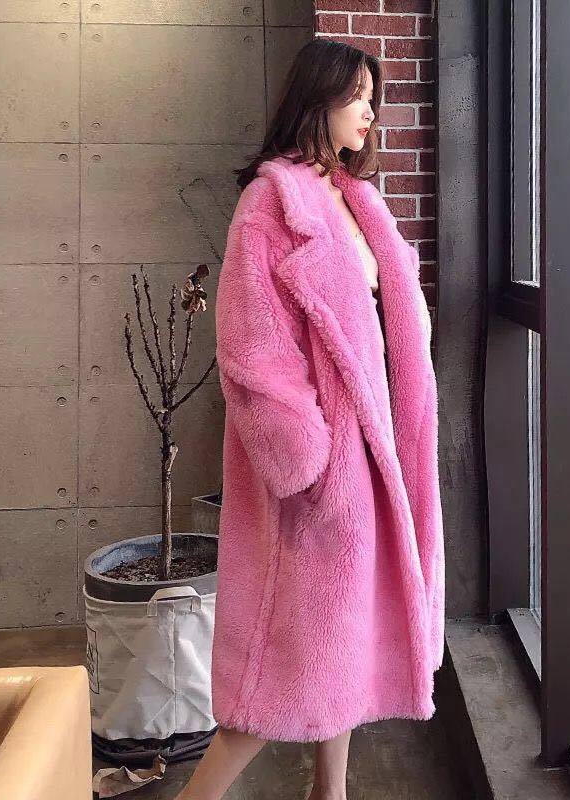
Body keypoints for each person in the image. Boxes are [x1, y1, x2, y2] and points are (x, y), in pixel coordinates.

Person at [174, 39, 444, 800]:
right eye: (357, 95)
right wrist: (309, 459)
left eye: (373, 97)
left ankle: (332, 791)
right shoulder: (272, 203)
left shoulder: (357, 201)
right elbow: (252, 349)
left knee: (341, 640)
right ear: (317, 99)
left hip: (377, 452)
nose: (370, 111)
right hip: (323, 469)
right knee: (283, 666)